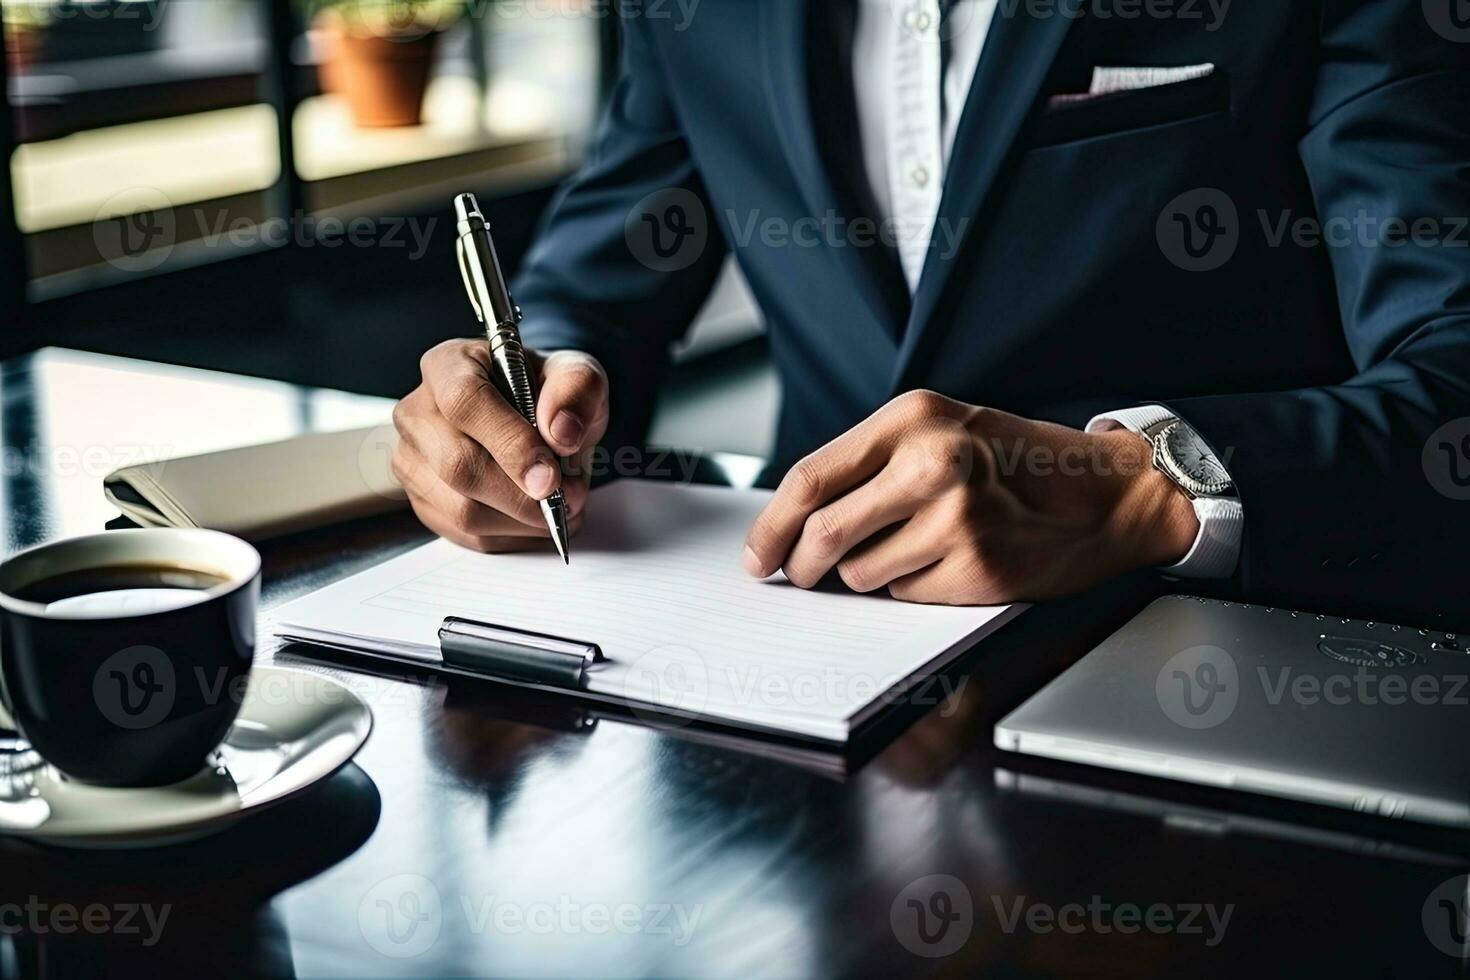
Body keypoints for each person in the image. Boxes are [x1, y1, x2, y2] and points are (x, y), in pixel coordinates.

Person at [390, 0, 1470, 617]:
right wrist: (520, 393)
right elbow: (604, 274)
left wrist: (1140, 490)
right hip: (785, 657)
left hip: (1214, 668)